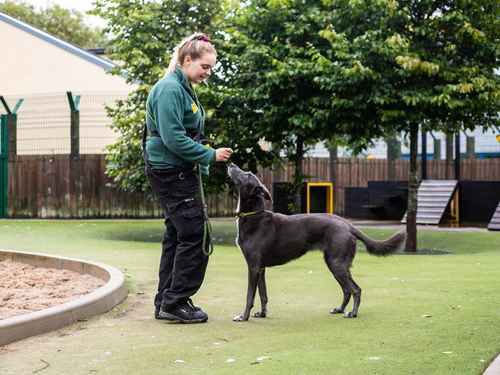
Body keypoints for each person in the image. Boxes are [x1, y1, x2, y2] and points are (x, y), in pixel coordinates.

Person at [144, 32, 232, 323]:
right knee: (194, 233)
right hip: (171, 171)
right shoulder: (170, 89)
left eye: (211, 68)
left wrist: (202, 157)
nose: (208, 73)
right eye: (204, 67)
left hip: (179, 170)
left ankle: (165, 300)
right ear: (186, 60)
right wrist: (209, 155)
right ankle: (175, 302)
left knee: (177, 234)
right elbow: (173, 138)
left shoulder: (184, 88)